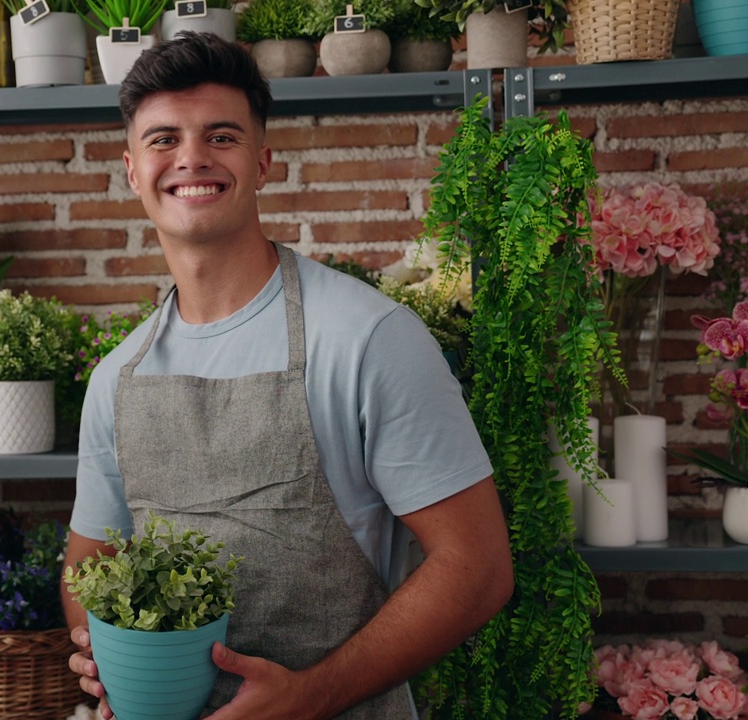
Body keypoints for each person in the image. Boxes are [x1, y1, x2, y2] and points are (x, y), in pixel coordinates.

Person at [62, 32, 513, 720]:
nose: (190, 158)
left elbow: (477, 569)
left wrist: (311, 696)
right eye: (162, 140)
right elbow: (86, 562)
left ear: (264, 161)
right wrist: (103, 655)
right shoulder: (116, 377)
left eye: (221, 136)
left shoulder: (367, 338)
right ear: (131, 170)